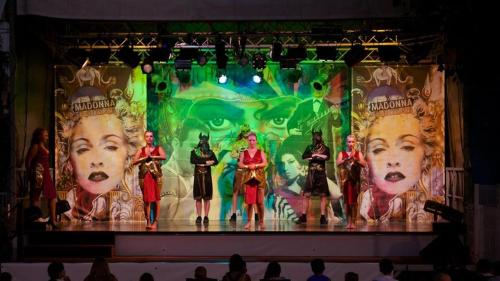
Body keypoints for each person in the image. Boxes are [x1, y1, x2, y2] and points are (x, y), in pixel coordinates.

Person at [356, 84, 444, 223]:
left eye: (407, 147)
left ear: (426, 152)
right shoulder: (367, 201)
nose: (392, 161)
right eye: (379, 149)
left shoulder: (431, 199)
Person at [57, 84, 145, 221]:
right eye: (82, 149)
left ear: (128, 153)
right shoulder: (67, 206)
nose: (97, 160)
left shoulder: (132, 205)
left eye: (110, 147)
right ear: (69, 159)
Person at [25, 128, 58, 228]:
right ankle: (36, 219)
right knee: (35, 196)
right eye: (45, 135)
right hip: (38, 174)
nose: (47, 137)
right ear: (39, 136)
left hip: (46, 173)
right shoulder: (35, 146)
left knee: (52, 196)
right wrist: (31, 174)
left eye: (47, 135)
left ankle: (53, 220)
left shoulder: (43, 145)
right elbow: (28, 161)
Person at [134, 131, 166, 229]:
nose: (149, 138)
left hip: (156, 177)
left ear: (153, 138)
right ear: (144, 138)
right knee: (146, 200)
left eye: (151, 136)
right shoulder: (141, 150)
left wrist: (152, 157)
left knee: (156, 199)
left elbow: (164, 157)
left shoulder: (158, 148)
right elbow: (134, 162)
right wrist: (144, 158)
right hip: (145, 177)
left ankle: (155, 221)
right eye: (147, 136)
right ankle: (148, 220)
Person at [299, 130, 331, 225]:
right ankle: (304, 216)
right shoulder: (309, 147)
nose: (315, 138)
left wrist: (317, 155)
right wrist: (312, 157)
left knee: (323, 195)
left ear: (320, 137)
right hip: (311, 174)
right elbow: (304, 157)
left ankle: (322, 217)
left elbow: (327, 157)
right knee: (306, 195)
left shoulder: (325, 148)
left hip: (321, 174)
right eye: (314, 137)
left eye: (317, 136)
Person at [238, 132, 268, 229]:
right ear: (247, 141)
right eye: (250, 140)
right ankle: (249, 222)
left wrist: (255, 165)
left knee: (260, 202)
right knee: (249, 202)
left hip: (259, 178)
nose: (251, 142)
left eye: (253, 140)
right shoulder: (244, 152)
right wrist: (247, 166)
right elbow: (240, 164)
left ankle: (261, 221)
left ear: (256, 141)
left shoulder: (261, 152)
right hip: (249, 179)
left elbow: (265, 163)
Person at [336, 135, 366, 229]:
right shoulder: (342, 153)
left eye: (353, 142)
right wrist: (346, 159)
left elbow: (364, 164)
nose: (351, 144)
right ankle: (348, 222)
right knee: (348, 202)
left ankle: (353, 221)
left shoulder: (358, 153)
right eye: (349, 142)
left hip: (355, 181)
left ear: (355, 143)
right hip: (346, 181)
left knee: (354, 202)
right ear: (346, 143)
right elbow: (337, 163)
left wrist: (356, 159)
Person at [190, 133, 219, 225]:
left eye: (205, 141)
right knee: (198, 197)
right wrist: (207, 162)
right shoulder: (194, 152)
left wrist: (211, 162)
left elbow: (216, 161)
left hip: (207, 177)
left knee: (207, 198)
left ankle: (206, 216)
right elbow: (193, 160)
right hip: (198, 177)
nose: (204, 143)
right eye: (202, 141)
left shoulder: (211, 152)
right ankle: (199, 216)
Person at [228, 124, 251, 222]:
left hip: (250, 169)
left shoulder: (253, 142)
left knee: (250, 192)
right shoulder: (237, 143)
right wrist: (241, 155)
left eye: (247, 131)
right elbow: (232, 154)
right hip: (240, 169)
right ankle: (233, 214)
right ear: (242, 132)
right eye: (244, 131)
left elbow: (257, 153)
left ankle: (254, 215)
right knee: (236, 191)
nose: (246, 133)